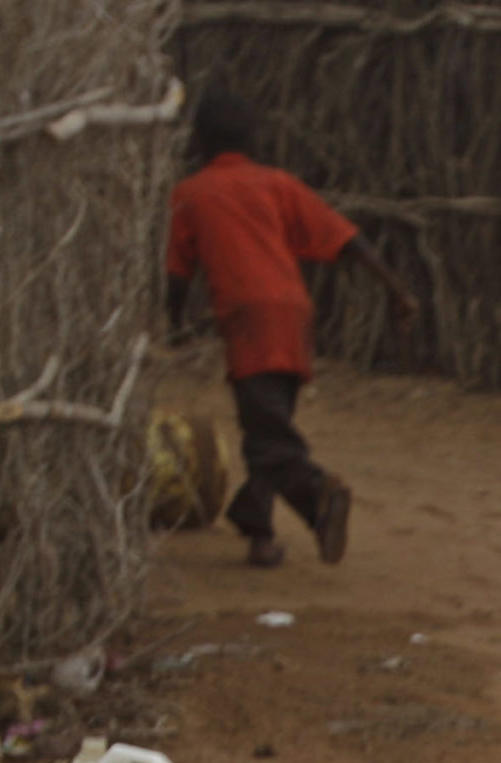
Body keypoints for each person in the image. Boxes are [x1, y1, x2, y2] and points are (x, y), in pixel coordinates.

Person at [164, 89, 417, 569]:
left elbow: (177, 272)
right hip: (294, 313)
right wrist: (396, 290)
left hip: (248, 318)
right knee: (267, 428)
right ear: (254, 140)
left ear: (198, 142)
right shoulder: (276, 184)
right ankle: (257, 533)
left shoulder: (190, 194)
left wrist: (173, 324)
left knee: (269, 438)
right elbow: (347, 238)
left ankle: (317, 493)